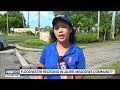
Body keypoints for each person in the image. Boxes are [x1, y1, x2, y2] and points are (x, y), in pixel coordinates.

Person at [37, 15, 86, 79]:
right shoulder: (47, 49)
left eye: (63, 27)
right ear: (54, 31)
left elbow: (82, 74)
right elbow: (41, 67)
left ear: (70, 29)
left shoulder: (78, 51)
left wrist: (69, 76)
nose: (60, 30)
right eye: (57, 28)